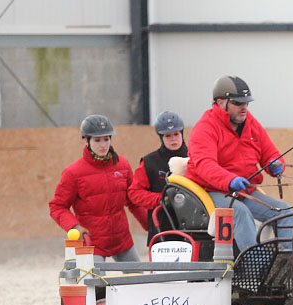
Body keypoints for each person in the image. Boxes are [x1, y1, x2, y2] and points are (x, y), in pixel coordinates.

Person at [185, 75, 293, 252]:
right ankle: (257, 271)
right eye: (237, 103)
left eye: (246, 103)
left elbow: (269, 151)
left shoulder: (249, 121)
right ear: (220, 102)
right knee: (240, 213)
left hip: (243, 190)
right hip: (212, 191)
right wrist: (230, 180)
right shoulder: (205, 128)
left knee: (284, 210)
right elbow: (205, 165)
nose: (244, 107)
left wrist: (276, 163)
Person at [49, 114, 145, 261]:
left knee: (138, 279)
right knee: (97, 283)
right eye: (97, 140)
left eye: (106, 139)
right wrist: (74, 227)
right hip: (93, 243)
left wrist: (150, 225)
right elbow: (57, 207)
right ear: (87, 141)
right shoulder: (73, 173)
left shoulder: (122, 165)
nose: (103, 145)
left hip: (122, 240)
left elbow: (133, 200)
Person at [128, 110, 189, 244]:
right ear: (161, 137)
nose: (173, 139)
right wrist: (161, 199)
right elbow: (134, 193)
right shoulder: (150, 162)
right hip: (162, 229)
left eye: (176, 134)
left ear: (182, 134)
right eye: (168, 136)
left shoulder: (195, 157)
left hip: (193, 228)